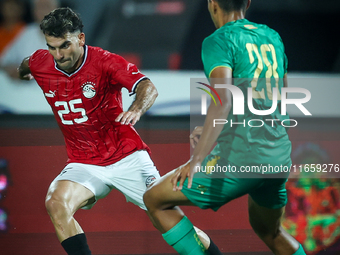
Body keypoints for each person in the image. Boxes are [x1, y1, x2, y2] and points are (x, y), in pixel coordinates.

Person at [17, 7, 221, 255]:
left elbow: (148, 87)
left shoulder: (105, 61)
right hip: (84, 162)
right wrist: (24, 74)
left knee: (168, 218)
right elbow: (26, 65)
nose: (58, 55)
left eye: (65, 45)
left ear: (81, 39)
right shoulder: (41, 62)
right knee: (56, 203)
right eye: (52, 47)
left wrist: (136, 108)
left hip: (127, 157)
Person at [143, 0, 307, 254]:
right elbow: (279, 96)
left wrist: (196, 160)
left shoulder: (218, 41)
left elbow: (223, 101)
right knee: (270, 231)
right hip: (278, 157)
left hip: (242, 158)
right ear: (248, 2)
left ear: (212, 3)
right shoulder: (271, 36)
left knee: (154, 199)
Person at [1, 0, 59, 79]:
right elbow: (4, 60)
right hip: (23, 89)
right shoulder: (27, 32)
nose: (43, 12)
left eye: (46, 7)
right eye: (39, 8)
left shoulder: (68, 36)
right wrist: (12, 70)